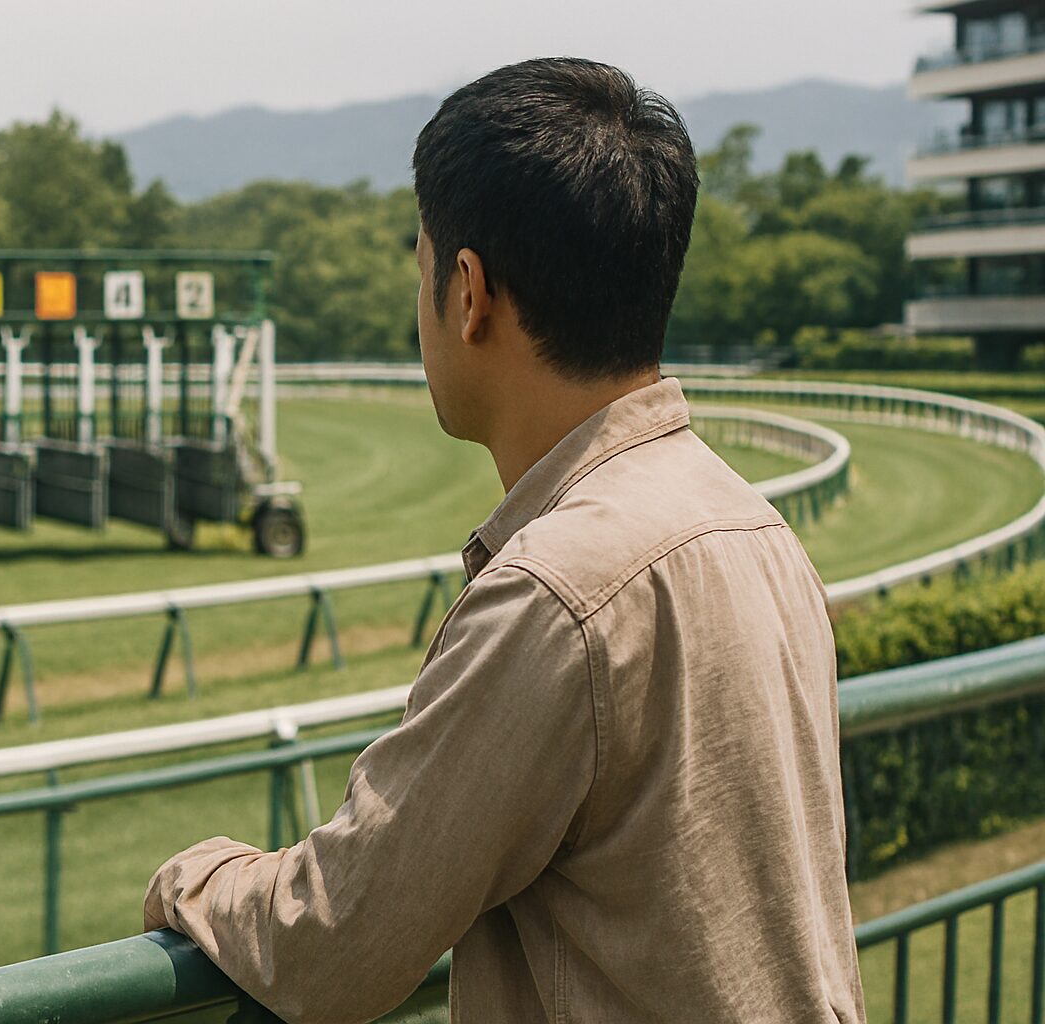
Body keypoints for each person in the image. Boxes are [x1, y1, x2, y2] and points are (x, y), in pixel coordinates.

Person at [143, 57, 866, 1023]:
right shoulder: (755, 523)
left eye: (422, 270)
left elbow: (332, 940)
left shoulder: (557, 594)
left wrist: (195, 877)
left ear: (469, 292)